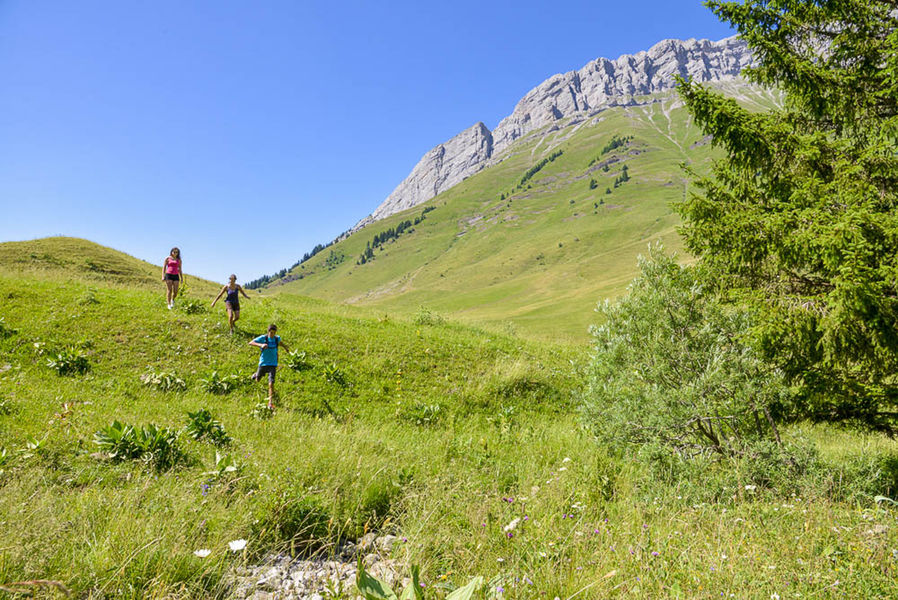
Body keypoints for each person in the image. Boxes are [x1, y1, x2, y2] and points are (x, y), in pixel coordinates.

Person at [249, 324, 290, 409]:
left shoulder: (276, 338)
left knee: (271, 383)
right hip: (263, 363)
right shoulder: (263, 338)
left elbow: (280, 343)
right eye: (271, 332)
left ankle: (270, 402)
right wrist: (260, 345)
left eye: (274, 333)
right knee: (258, 380)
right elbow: (251, 342)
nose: (272, 334)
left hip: (273, 364)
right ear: (268, 331)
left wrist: (285, 347)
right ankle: (256, 375)